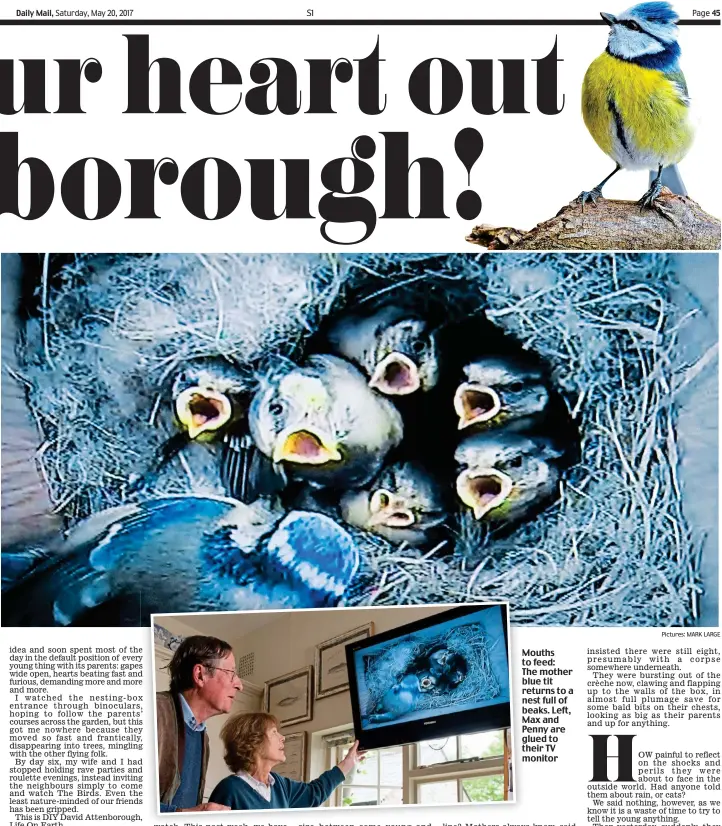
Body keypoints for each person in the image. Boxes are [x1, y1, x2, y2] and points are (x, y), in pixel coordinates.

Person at [156, 635, 244, 812]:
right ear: (200, 675)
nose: (239, 685)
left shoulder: (203, 738)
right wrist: (183, 814)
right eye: (231, 673)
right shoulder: (153, 711)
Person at [209, 712, 363, 810]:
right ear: (253, 741)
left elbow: (314, 793)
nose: (282, 737)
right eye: (274, 732)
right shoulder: (229, 790)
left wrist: (348, 762)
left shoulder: (280, 785)